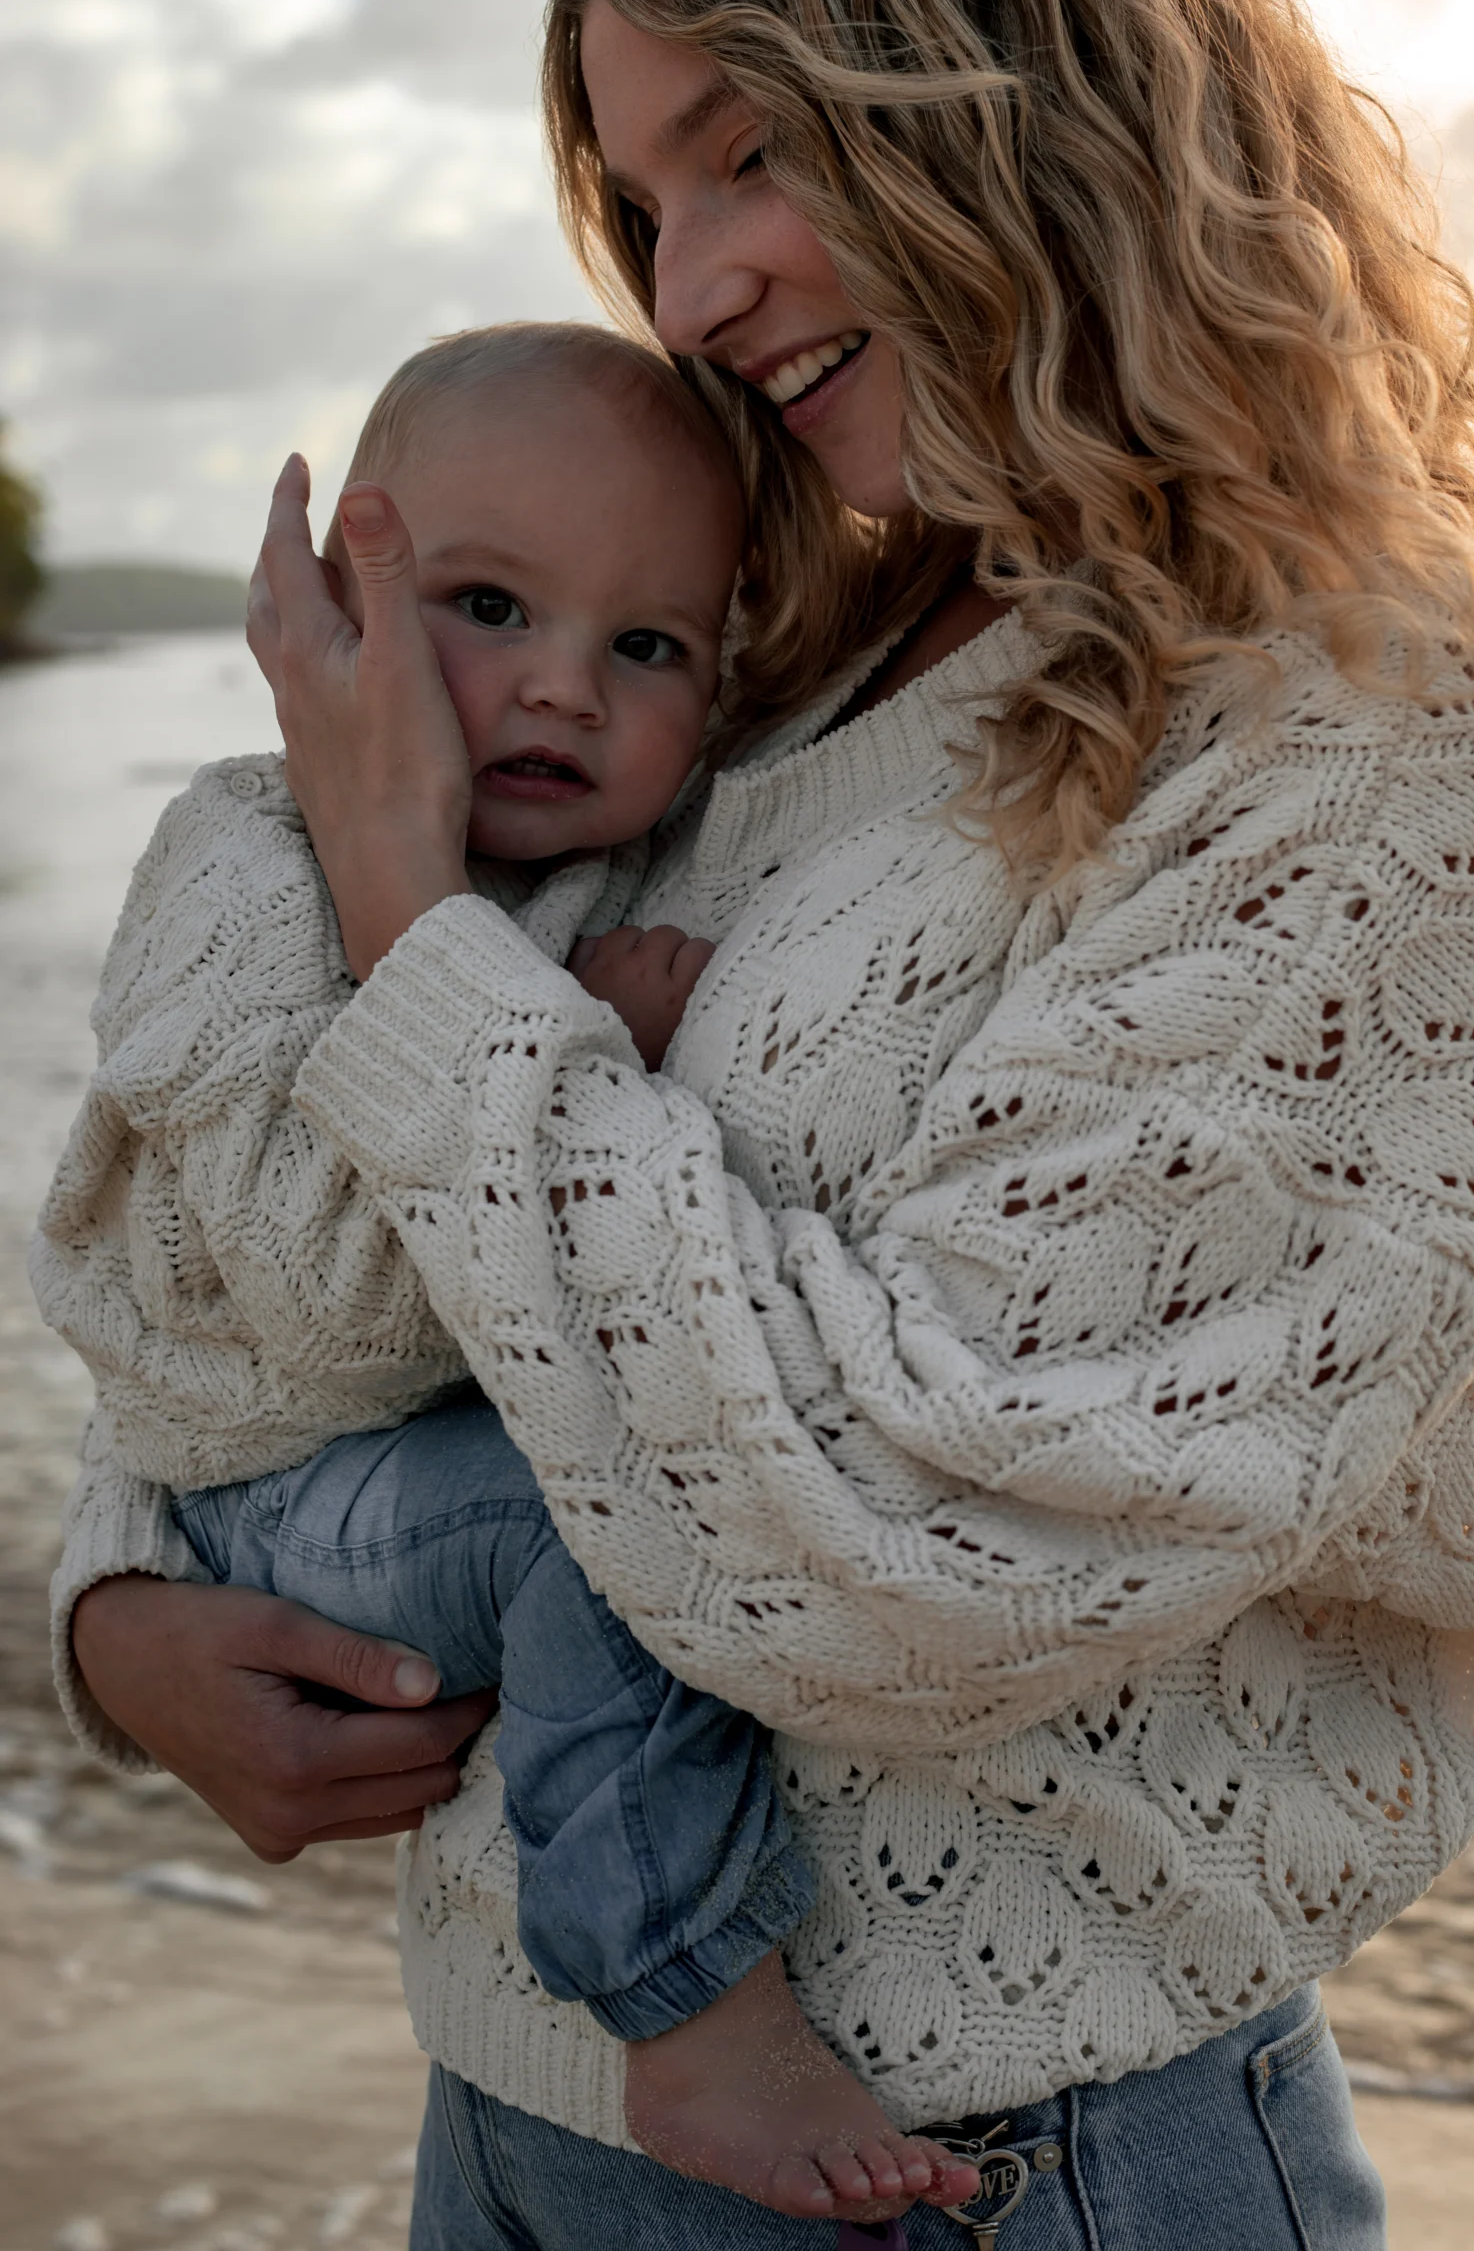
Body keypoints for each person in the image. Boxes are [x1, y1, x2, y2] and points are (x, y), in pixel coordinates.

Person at [54, 0, 1474, 2250]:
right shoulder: (755, 658)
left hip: (995, 2174)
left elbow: (922, 1553)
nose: (691, 293)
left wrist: (407, 923)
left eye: (753, 152)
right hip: (504, 2095)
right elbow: (326, 1276)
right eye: (645, 199)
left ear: (1022, 74)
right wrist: (126, 1596)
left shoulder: (1410, 709)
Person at [32, 315, 979, 2225]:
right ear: (338, 598)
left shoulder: (606, 860)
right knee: (602, 1513)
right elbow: (334, 1310)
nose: (560, 689)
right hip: (272, 1493)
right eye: (484, 604)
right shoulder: (250, 856)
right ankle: (688, 1997)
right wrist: (553, 1031)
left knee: (600, 1486)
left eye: (646, 648)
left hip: (397, 1494)